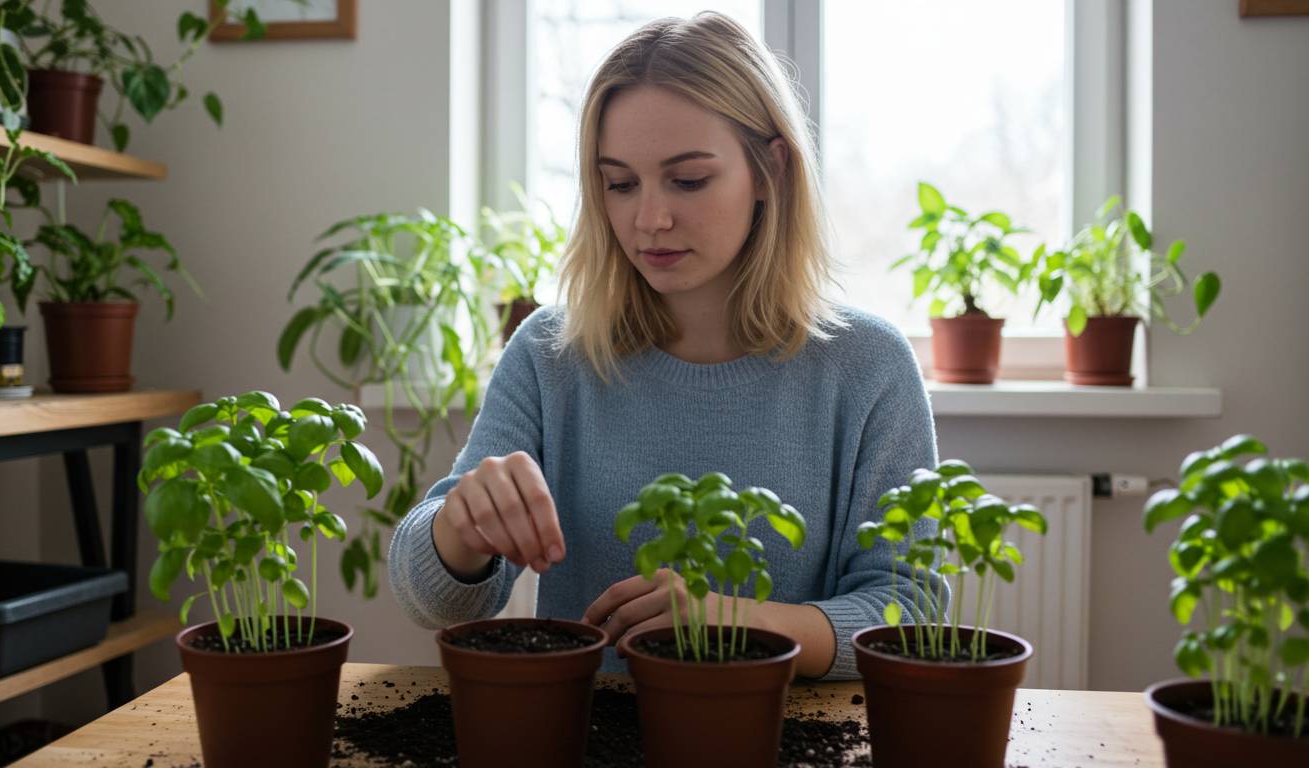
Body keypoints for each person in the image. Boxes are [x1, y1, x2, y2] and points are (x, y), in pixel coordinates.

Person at [387, 11, 943, 679]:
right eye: (619, 184)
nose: (649, 218)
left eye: (687, 180)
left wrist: (741, 622)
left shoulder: (868, 368)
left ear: (770, 170)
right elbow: (432, 599)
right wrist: (457, 529)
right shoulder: (549, 354)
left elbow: (910, 610)